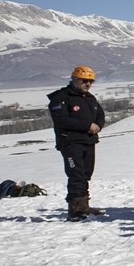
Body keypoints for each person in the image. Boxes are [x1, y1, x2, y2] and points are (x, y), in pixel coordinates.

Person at [47, 65, 107, 221]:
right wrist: (87, 126)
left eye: (90, 82)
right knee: (76, 175)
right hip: (70, 142)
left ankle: (84, 206)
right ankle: (75, 210)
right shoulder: (61, 97)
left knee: (86, 173)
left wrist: (98, 126)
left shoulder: (89, 98)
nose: (87, 84)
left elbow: (100, 114)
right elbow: (61, 120)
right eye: (84, 81)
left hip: (89, 141)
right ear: (74, 79)